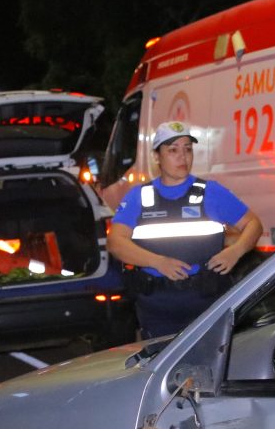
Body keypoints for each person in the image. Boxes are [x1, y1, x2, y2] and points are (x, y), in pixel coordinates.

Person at [108, 120, 263, 338]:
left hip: (207, 307)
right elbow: (115, 243)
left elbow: (253, 224)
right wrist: (157, 262)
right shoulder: (140, 197)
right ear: (156, 157)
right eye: (173, 150)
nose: (183, 156)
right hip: (157, 311)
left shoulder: (211, 192)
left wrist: (235, 252)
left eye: (188, 149)